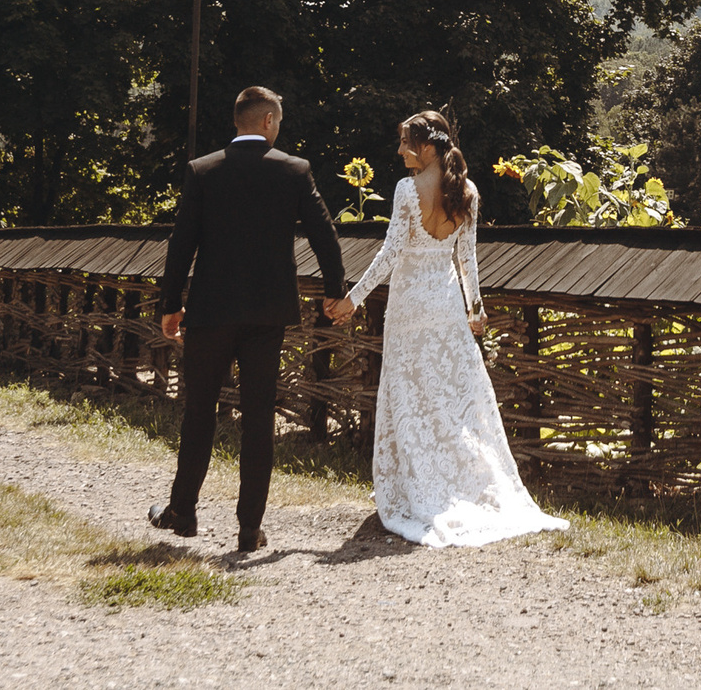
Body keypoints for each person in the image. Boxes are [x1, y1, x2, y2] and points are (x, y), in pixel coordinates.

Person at [330, 111, 566, 547]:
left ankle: (419, 488)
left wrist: (353, 298)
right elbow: (467, 261)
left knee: (411, 394)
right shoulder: (468, 191)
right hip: (447, 305)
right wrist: (475, 311)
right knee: (456, 399)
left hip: (409, 307)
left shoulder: (407, 190)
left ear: (428, 146)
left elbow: (388, 256)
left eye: (406, 143)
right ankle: (452, 484)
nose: (400, 151)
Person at [151, 85, 349, 553]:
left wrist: (170, 304)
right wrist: (335, 291)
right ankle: (248, 528)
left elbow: (182, 243)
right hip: (267, 312)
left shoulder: (203, 171)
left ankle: (182, 512)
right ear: (267, 122)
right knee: (259, 416)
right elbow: (325, 235)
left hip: (211, 311)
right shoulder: (294, 171)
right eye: (278, 120)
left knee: (198, 410)